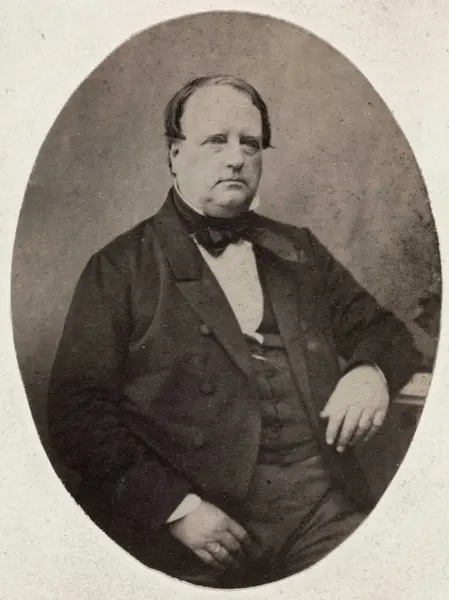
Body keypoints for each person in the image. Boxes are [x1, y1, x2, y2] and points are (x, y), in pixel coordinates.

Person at [47, 75, 422, 588]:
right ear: (175, 154)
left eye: (250, 143)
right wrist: (176, 509)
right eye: (215, 141)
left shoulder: (299, 250)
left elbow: (383, 331)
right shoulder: (119, 268)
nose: (236, 158)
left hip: (319, 511)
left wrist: (370, 372)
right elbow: (77, 413)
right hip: (201, 528)